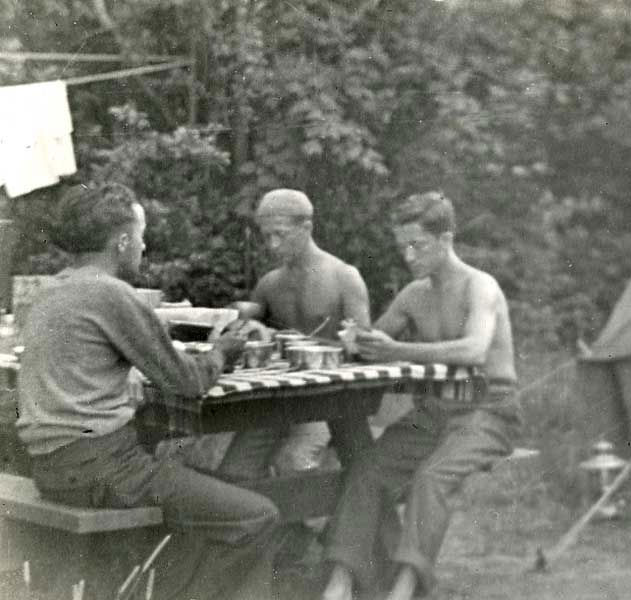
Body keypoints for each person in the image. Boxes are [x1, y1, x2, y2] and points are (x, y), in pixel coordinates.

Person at [15, 182, 282, 600]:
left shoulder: (49, 292)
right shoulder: (110, 293)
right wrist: (222, 352)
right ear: (122, 242)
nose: (143, 246)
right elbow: (187, 382)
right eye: (140, 236)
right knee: (257, 516)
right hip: (104, 469)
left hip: (50, 468)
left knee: (206, 500)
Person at [320, 191, 522, 600]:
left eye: (418, 245)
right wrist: (355, 340)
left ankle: (404, 589)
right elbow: (373, 343)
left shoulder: (480, 287)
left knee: (432, 478)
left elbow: (473, 350)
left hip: (488, 411)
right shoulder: (414, 294)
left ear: (446, 239)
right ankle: (339, 584)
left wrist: (397, 349)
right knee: (367, 469)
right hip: (434, 411)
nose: (409, 256)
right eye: (403, 247)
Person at [215, 188, 371, 480]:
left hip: (328, 401)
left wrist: (350, 342)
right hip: (275, 402)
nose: (272, 245)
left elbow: (364, 350)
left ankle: (305, 512)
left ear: (306, 228)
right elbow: (245, 336)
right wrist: (242, 322)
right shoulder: (269, 284)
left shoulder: (343, 277)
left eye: (280, 234)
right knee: (234, 472)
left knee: (293, 462)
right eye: (266, 236)